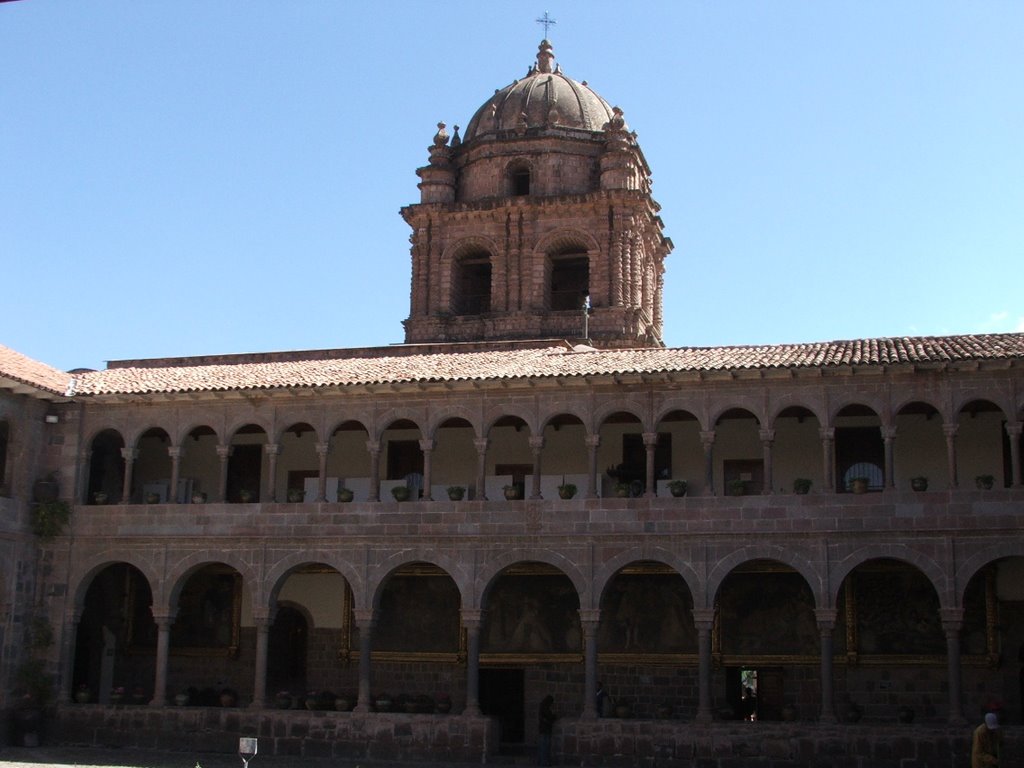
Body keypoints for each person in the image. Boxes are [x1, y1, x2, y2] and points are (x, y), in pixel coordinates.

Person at [538, 694, 557, 766]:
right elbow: (550, 717)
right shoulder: (545, 708)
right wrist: (554, 716)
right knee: (544, 748)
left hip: (543, 730)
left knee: (542, 747)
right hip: (545, 730)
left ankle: (541, 762)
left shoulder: (542, 707)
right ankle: (543, 763)